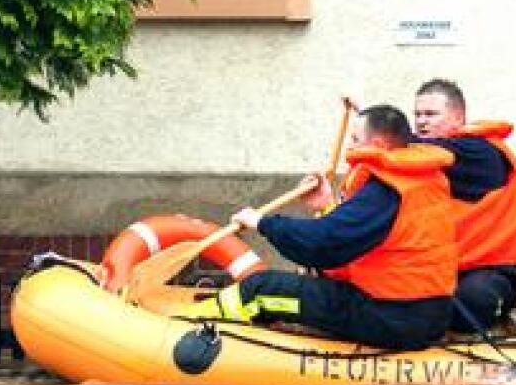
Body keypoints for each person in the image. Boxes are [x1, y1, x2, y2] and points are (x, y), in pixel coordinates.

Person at [181, 104, 457, 350]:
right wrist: (325, 206)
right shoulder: (425, 179)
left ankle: (187, 326)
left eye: (356, 140)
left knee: (259, 289)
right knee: (311, 284)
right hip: (425, 314)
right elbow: (353, 240)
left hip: (390, 317)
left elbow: (322, 244)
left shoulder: (386, 190)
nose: (350, 148)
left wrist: (262, 223)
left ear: (379, 143)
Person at [412, 78, 516, 333]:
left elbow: (418, 147)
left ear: (458, 118)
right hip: (437, 269)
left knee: (471, 303)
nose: (422, 121)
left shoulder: (481, 153)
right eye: (417, 114)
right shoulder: (417, 162)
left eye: (431, 114)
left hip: (486, 272)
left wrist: (378, 129)